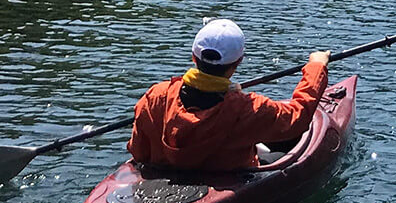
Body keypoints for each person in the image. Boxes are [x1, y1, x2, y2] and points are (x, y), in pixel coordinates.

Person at [127, 18, 330, 171]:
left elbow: (138, 152)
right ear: (238, 62)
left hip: (166, 178)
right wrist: (316, 67)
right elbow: (298, 117)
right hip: (227, 176)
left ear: (193, 57)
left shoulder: (155, 97)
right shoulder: (248, 109)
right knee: (274, 154)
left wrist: (225, 92)